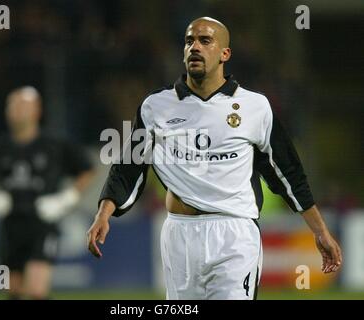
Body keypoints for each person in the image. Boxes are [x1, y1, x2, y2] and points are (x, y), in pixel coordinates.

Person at [86, 17, 342, 300]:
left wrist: (320, 231)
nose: (195, 47)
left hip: (234, 234)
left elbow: (289, 173)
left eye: (205, 41)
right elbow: (128, 166)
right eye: (189, 41)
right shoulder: (155, 106)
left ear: (225, 54)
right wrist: (103, 213)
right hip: (179, 234)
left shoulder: (255, 107)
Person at [0, 86, 94, 299]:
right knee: (12, 288)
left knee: (37, 289)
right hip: (10, 225)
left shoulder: (55, 144)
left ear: (37, 110)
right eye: (13, 105)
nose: (16, 110)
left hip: (42, 224)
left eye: (22, 105)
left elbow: (86, 170)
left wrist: (65, 199)